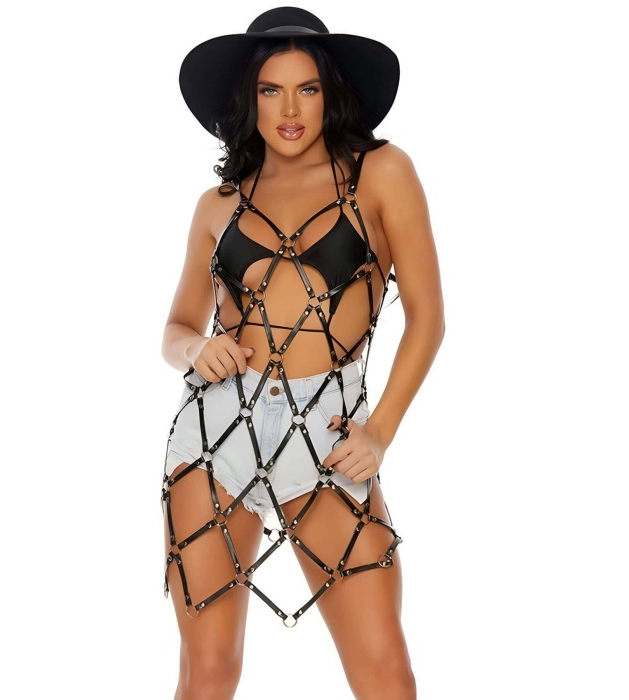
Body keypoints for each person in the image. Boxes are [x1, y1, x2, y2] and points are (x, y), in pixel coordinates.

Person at [160, 7, 444, 699]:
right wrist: (197, 347)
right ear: (248, 98)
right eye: (271, 90)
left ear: (330, 93)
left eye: (307, 89)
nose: (289, 110)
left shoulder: (380, 172)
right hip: (213, 436)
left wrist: (379, 432)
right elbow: (176, 328)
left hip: (327, 436)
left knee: (385, 672)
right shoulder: (218, 203)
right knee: (208, 671)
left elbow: (429, 319)